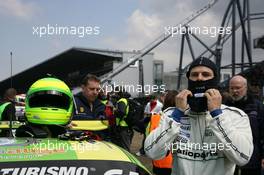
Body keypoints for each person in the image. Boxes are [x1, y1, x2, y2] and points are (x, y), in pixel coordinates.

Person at [144, 57, 253, 175]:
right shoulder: (172, 114)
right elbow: (152, 152)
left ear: (215, 79)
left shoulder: (235, 116)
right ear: (189, 79)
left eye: (205, 74)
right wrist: (177, 115)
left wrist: (217, 115)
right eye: (194, 74)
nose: (199, 78)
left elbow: (243, 157)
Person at [224, 75, 264, 175]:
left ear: (245, 88)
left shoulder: (257, 106)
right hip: (228, 159)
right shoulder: (224, 107)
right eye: (232, 88)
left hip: (252, 159)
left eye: (238, 88)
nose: (234, 91)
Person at [71, 74, 109, 140]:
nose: (95, 92)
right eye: (92, 89)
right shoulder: (72, 103)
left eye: (97, 89)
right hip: (78, 145)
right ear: (83, 88)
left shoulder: (102, 106)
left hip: (99, 146)